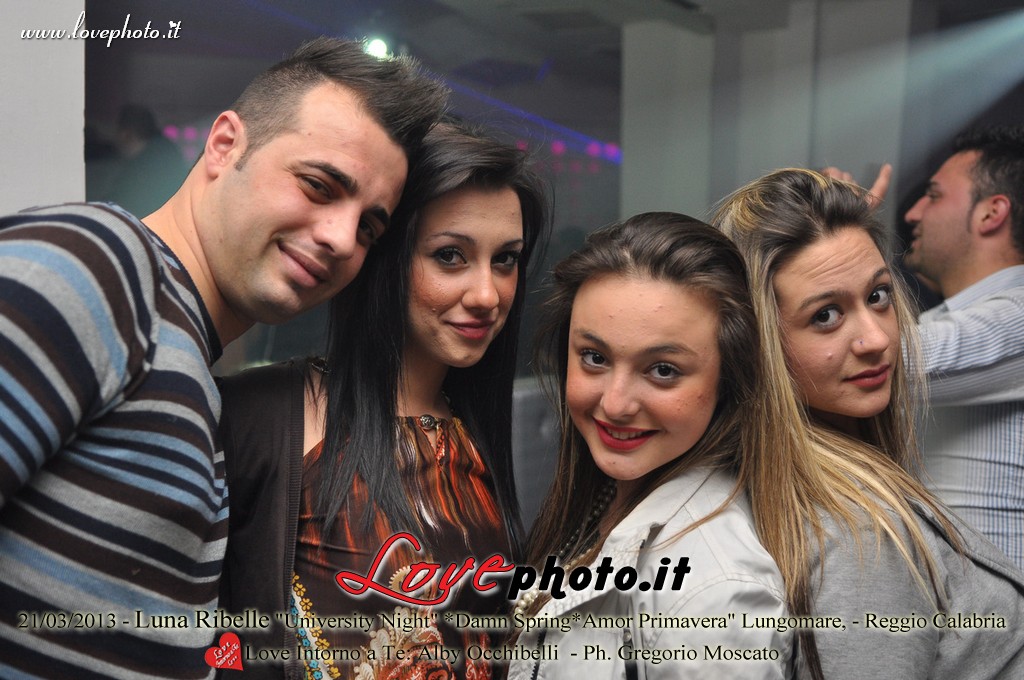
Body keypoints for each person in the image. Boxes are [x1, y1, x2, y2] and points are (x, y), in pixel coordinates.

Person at [0, 37, 447, 679]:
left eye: (368, 227)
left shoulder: (184, 355)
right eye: (319, 185)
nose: (341, 238)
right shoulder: (97, 265)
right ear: (224, 145)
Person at [218, 120, 549, 679]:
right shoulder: (267, 419)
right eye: (450, 256)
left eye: (505, 259)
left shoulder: (472, 433)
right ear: (386, 257)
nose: (487, 294)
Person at [713, 168, 1024, 680]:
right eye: (826, 315)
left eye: (878, 296)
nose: (877, 339)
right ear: (756, 345)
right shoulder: (863, 543)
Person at [509, 213, 791, 680]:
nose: (615, 404)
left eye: (663, 370)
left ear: (727, 380)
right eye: (594, 358)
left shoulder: (711, 591)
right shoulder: (607, 498)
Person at [903, 126, 1024, 569]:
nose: (912, 212)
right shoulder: (936, 321)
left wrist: (823, 238)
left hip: (1004, 608)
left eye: (933, 196)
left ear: (991, 212)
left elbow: (886, 363)